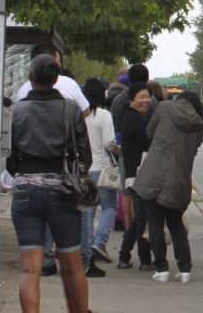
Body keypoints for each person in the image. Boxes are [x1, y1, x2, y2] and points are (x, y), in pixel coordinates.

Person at [7, 55, 91, 313]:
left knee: (30, 267)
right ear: (57, 80)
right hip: (62, 189)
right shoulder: (70, 109)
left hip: (25, 190)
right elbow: (84, 155)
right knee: (72, 264)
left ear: (30, 78)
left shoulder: (18, 110)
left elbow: (11, 158)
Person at [133, 91, 203, 283]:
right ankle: (184, 270)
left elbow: (149, 132)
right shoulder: (198, 125)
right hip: (178, 180)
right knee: (176, 224)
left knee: (155, 224)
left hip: (153, 176)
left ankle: (161, 269)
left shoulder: (164, 108)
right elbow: (195, 149)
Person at [80, 78, 117, 278]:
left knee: (87, 213)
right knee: (109, 207)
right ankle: (100, 242)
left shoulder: (81, 115)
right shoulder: (104, 115)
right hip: (103, 168)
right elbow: (109, 142)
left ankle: (88, 245)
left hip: (86, 169)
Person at [116, 84, 153, 270]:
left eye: (147, 97)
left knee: (140, 218)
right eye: (141, 97)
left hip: (133, 173)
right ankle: (144, 260)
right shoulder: (136, 119)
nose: (145, 100)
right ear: (131, 99)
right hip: (137, 174)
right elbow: (148, 144)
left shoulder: (132, 116)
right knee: (142, 218)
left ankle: (124, 256)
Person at [13, 43, 90, 117]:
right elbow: (85, 111)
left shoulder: (22, 91)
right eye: (58, 61)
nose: (59, 64)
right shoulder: (69, 84)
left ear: (30, 76)